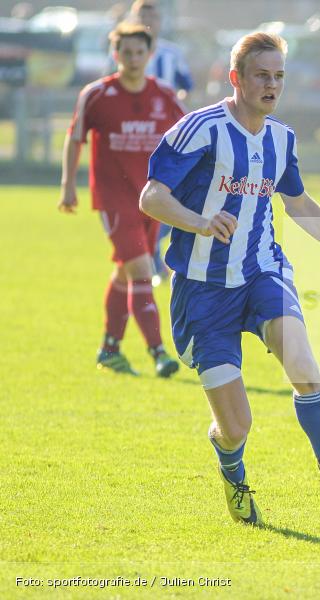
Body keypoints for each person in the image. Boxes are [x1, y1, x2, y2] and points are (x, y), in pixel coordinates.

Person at [139, 32, 320, 525]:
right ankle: (233, 475)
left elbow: (299, 203)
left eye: (279, 76)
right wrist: (198, 222)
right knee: (236, 427)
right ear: (235, 78)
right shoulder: (200, 129)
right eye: (261, 75)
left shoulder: (282, 139)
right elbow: (151, 196)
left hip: (262, 272)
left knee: (303, 365)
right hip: (201, 289)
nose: (271, 84)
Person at [59, 22, 184, 377]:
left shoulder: (164, 95)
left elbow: (188, 137)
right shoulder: (97, 94)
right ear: (115, 55)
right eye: (125, 52)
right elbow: (75, 138)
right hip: (114, 201)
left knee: (124, 273)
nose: (132, 58)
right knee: (143, 271)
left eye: (138, 52)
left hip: (153, 200)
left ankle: (110, 349)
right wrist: (69, 184)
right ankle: (158, 352)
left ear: (149, 55)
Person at [124, 0, 195, 286]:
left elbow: (185, 88)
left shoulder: (171, 53)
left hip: (165, 140)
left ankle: (153, 251)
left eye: (152, 14)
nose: (148, 19)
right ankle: (144, 257)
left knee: (170, 195)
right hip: (131, 140)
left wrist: (170, 110)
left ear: (161, 20)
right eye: (143, 14)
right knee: (136, 200)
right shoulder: (121, 52)